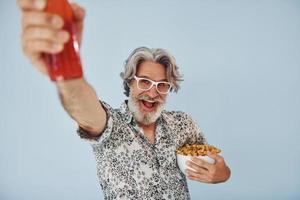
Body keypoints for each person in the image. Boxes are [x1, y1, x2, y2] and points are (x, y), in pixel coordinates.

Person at [18, 0, 231, 199]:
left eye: (162, 85)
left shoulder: (183, 125)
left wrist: (222, 173)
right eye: (144, 81)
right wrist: (67, 71)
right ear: (130, 82)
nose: (153, 92)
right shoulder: (109, 125)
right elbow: (82, 107)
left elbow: (214, 165)